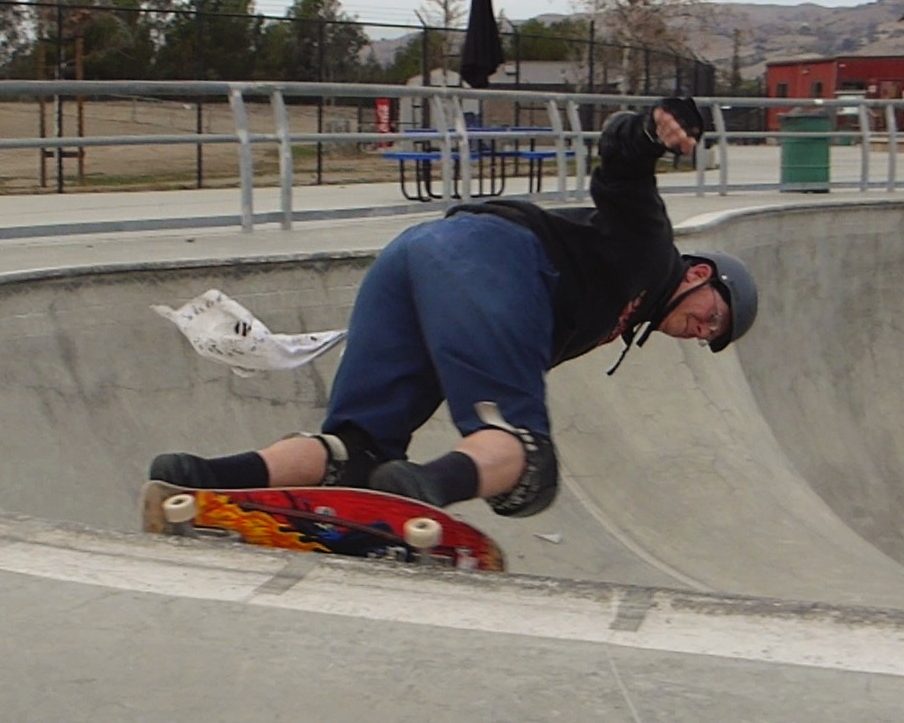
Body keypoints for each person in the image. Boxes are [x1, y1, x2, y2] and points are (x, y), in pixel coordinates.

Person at [149, 96, 759, 517]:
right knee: (526, 460)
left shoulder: (623, 304)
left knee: (358, 448)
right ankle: (423, 491)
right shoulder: (652, 254)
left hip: (414, 258)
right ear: (699, 273)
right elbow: (622, 170)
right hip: (489, 258)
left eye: (712, 337)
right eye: (715, 314)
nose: (703, 330)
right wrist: (654, 131)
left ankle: (204, 477)